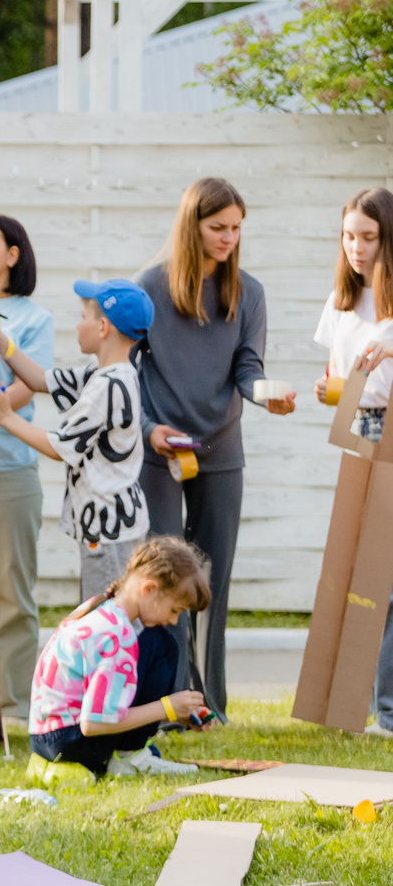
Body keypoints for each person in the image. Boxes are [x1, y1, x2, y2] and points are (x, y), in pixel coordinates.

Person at [132, 177, 295, 719]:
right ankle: (170, 701)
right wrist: (150, 427)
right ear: (192, 225)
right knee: (165, 580)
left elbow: (249, 369)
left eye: (236, 229)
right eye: (218, 227)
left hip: (221, 449)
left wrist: (265, 394)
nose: (229, 238)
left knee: (213, 581)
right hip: (160, 451)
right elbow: (125, 373)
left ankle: (212, 705)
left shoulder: (249, 293)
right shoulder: (149, 289)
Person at [0, 279, 151, 602]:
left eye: (83, 317)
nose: (77, 325)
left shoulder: (107, 387)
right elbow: (40, 379)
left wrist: (5, 416)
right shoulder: (106, 374)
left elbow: (60, 448)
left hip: (109, 530)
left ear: (102, 327)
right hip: (110, 525)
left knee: (106, 621)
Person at [25, 537, 211, 783]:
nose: (174, 620)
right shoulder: (117, 636)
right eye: (175, 609)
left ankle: (127, 753)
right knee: (163, 643)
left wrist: (177, 713)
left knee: (157, 641)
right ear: (149, 589)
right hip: (69, 741)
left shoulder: (101, 610)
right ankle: (129, 757)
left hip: (46, 737)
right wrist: (167, 707)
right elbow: (93, 724)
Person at [316, 188, 393, 729]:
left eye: (368, 237)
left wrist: (349, 389)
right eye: (349, 236)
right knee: (359, 578)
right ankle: (356, 705)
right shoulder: (342, 302)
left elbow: (374, 387)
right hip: (357, 433)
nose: (357, 249)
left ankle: (384, 708)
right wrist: (338, 392)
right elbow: (336, 379)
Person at [0, 214, 53, 726]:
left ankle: (15, 712)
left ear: (11, 256)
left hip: (9, 473)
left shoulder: (32, 319)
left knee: (12, 596)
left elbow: (23, 390)